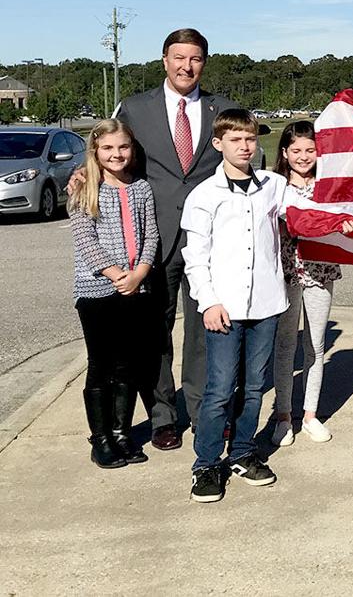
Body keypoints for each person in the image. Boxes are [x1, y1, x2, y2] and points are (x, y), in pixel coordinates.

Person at [75, 28, 239, 452]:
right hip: (155, 240)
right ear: (164, 60)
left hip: (209, 239)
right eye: (179, 57)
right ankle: (163, 415)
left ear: (205, 62)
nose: (187, 66)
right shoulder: (135, 107)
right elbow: (108, 151)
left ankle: (208, 412)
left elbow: (244, 160)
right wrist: (81, 174)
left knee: (208, 330)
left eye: (196, 59)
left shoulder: (222, 108)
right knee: (154, 333)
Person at [184, 109, 353, 503]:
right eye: (235, 140)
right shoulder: (204, 195)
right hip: (223, 307)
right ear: (218, 144)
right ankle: (207, 464)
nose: (244, 146)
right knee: (220, 389)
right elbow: (195, 256)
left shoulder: (272, 185)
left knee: (251, 389)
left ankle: (244, 453)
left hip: (266, 304)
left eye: (249, 139)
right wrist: (208, 302)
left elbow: (304, 214)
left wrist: (341, 218)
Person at [68, 120, 159, 469]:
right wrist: (116, 274)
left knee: (128, 365)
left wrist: (139, 273)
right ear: (96, 151)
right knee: (101, 365)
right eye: (108, 148)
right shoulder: (83, 189)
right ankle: (101, 438)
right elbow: (86, 242)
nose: (116, 154)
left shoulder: (141, 189)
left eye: (123, 147)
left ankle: (122, 433)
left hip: (136, 287)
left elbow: (150, 235)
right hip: (97, 293)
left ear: (131, 150)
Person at [271, 120, 343, 446]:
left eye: (310, 150)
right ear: (284, 153)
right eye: (296, 150)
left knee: (314, 345)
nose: (303, 157)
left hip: (320, 271)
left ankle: (310, 414)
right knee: (285, 345)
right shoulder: (273, 186)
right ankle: (283, 416)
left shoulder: (328, 187)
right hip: (284, 273)